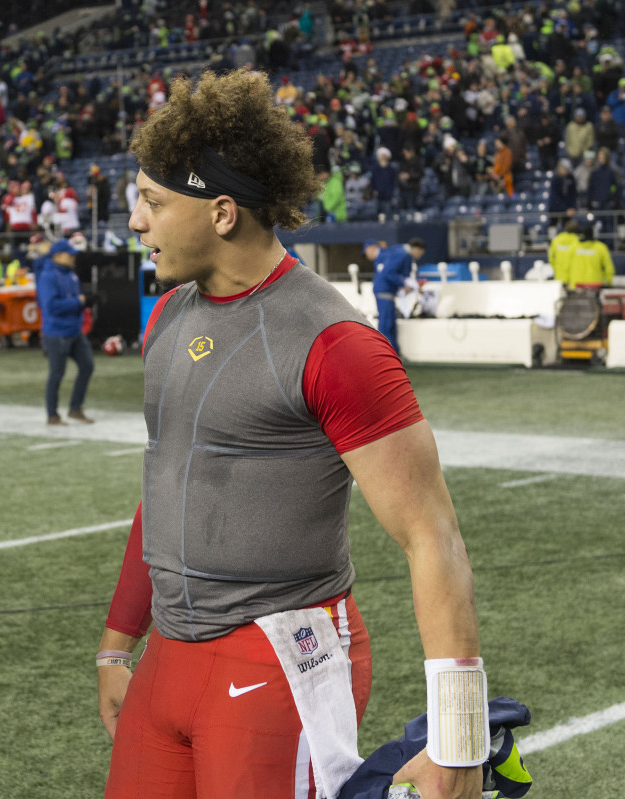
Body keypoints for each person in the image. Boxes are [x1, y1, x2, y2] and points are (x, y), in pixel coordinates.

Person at [99, 70, 484, 799]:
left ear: (220, 212)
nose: (136, 223)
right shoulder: (165, 319)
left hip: (282, 656)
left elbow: (434, 536)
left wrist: (458, 736)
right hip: (170, 658)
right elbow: (169, 482)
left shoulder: (336, 342)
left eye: (151, 202)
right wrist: (117, 646)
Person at [38, 238, 94, 426]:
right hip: (56, 333)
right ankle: (52, 415)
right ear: (58, 255)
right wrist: (79, 301)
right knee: (56, 374)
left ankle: (75, 408)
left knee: (87, 366)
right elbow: (50, 306)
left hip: (74, 330)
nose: (73, 258)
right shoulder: (48, 277)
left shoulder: (71, 275)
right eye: (69, 255)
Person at [367, 237, 426, 355]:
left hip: (384, 289)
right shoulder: (403, 254)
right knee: (386, 324)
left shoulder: (397, 250)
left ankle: (393, 353)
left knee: (390, 323)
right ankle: (384, 354)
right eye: (421, 253)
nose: (420, 256)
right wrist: (403, 284)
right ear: (417, 249)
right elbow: (389, 272)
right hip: (385, 291)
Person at [562, 223, 616, 288]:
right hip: (595, 286)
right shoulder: (601, 247)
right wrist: (609, 282)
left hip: (576, 285)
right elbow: (608, 267)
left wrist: (565, 281)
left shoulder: (573, 247)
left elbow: (566, 266)